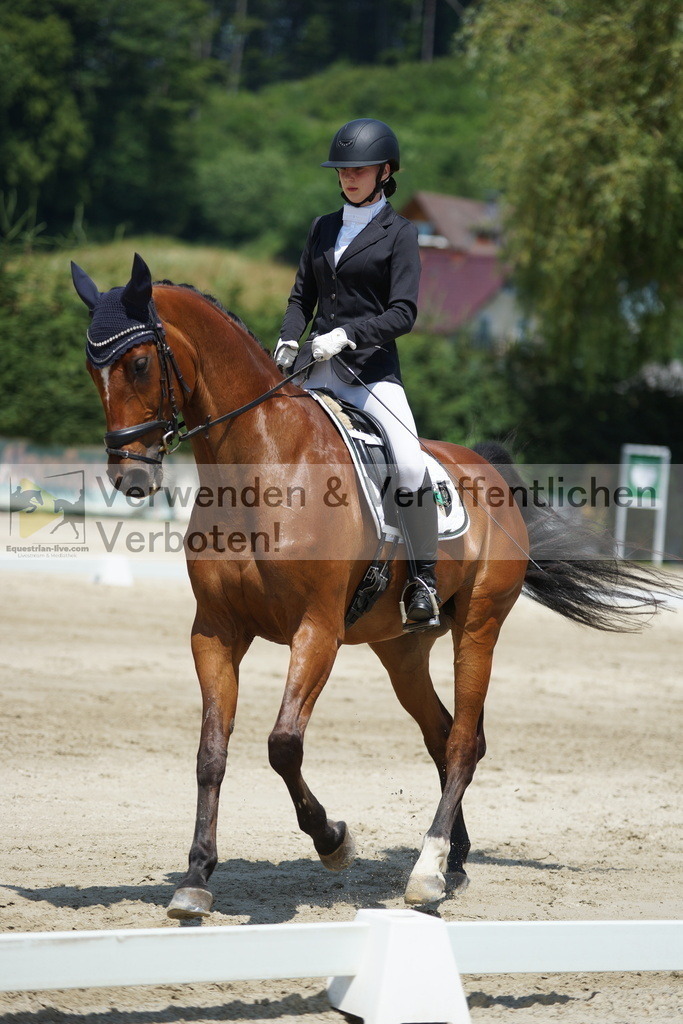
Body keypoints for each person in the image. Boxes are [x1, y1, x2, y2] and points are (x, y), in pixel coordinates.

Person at [275, 117, 440, 629]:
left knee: (411, 466)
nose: (349, 177)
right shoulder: (322, 227)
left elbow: (403, 313)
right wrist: (287, 336)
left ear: (384, 172)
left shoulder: (402, 233)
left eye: (360, 169)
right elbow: (302, 296)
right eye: (343, 169)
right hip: (314, 369)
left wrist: (347, 335)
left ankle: (423, 582)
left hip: (370, 372)